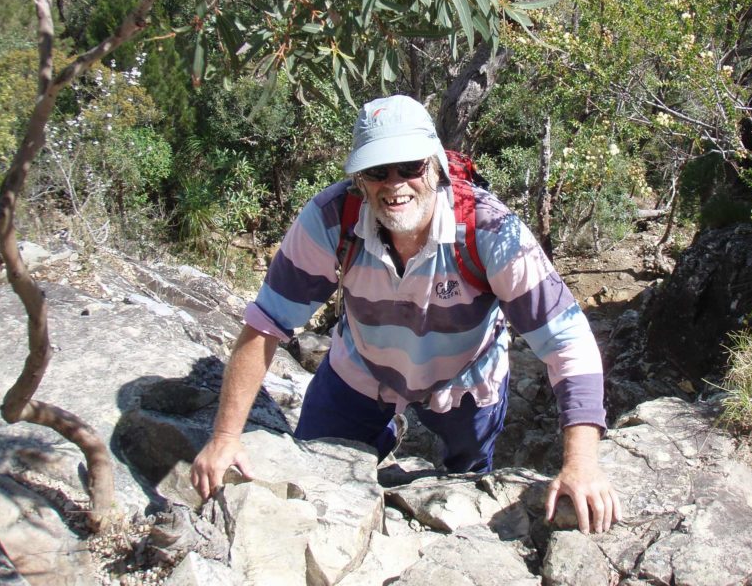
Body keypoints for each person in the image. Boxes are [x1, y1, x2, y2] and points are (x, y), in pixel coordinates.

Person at [190, 94, 622, 534]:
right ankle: (384, 433)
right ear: (360, 178)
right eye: (378, 170)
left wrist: (582, 463)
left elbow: (568, 339)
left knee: (468, 483)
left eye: (410, 167)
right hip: (360, 370)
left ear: (434, 166)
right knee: (313, 476)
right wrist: (225, 439)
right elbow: (266, 322)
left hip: (466, 380)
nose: (394, 184)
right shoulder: (331, 220)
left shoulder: (489, 230)